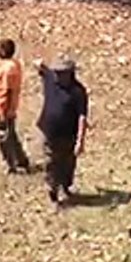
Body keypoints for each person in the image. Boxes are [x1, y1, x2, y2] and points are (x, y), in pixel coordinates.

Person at [35, 56, 89, 210]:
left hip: (68, 135)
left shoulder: (78, 91)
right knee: (51, 162)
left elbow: (82, 117)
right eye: (56, 72)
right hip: (49, 132)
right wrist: (39, 64)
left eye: (62, 73)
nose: (58, 75)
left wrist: (80, 140)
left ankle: (65, 186)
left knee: (67, 163)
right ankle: (53, 193)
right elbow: (41, 68)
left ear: (70, 73)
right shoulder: (51, 79)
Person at [0, 38, 31, 174]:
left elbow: (7, 90)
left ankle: (9, 165)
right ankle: (21, 161)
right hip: (9, 107)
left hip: (4, 108)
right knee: (12, 135)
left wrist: (5, 109)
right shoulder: (15, 64)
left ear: (3, 51)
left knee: (3, 137)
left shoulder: (8, 69)